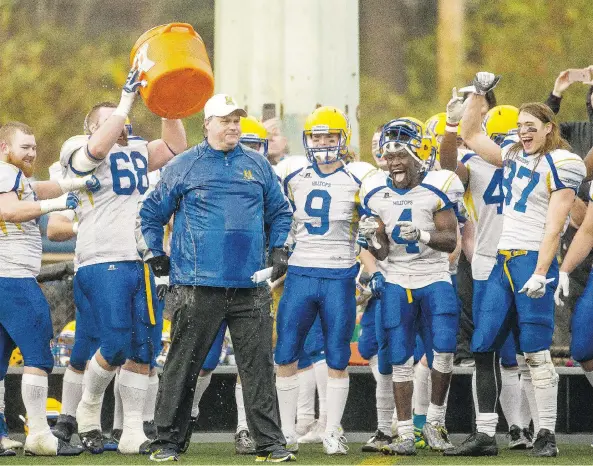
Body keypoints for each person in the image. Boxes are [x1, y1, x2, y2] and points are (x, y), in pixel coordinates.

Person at [137, 93, 294, 463]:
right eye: (225, 120)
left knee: (258, 368)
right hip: (196, 284)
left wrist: (280, 250)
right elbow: (150, 214)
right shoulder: (184, 165)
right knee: (182, 365)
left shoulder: (257, 164)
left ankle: (270, 444)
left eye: (237, 120)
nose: (233, 127)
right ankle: (166, 442)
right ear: (206, 124)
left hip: (251, 285)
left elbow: (281, 213)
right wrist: (156, 258)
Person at [445, 72, 586, 458]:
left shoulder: (561, 162)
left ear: (548, 129)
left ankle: (546, 433)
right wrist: (478, 92)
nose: (523, 133)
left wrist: (543, 272)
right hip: (501, 261)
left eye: (530, 127)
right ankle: (486, 434)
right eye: (520, 127)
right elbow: (472, 134)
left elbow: (555, 226)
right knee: (483, 345)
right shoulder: (511, 157)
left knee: (536, 352)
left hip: (530, 261)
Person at [59, 65, 187, 455]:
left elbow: (176, 148)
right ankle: (88, 410)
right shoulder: (75, 148)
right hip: (102, 258)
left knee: (144, 349)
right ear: (90, 127)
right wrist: (124, 101)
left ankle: (132, 429)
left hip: (142, 259)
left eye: (123, 121)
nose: (122, 126)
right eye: (110, 121)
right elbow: (96, 149)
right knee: (112, 343)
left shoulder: (136, 150)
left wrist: (168, 106)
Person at [273, 106, 376, 456]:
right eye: (317, 137)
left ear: (342, 139)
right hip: (300, 272)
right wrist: (281, 245)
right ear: (307, 139)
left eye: (329, 137)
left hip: (339, 273)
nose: (322, 143)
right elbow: (279, 214)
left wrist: (371, 233)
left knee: (336, 356)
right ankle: (287, 431)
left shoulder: (360, 175)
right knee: (286, 351)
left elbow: (376, 217)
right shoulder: (292, 172)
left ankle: (332, 430)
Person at [359, 118, 463, 456]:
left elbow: (450, 240)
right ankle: (404, 433)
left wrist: (422, 235)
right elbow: (383, 252)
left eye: (400, 155)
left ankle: (434, 422)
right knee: (399, 355)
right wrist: (373, 239)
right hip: (397, 278)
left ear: (417, 153)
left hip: (434, 275)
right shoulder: (376, 192)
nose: (393, 163)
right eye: (389, 157)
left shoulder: (439, 186)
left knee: (445, 348)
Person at [0, 121, 101, 456]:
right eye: (24, 147)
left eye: (33, 146)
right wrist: (59, 206)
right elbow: (9, 210)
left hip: (7, 277)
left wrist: (77, 182)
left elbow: (39, 188)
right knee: (39, 357)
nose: (32, 152)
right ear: (4, 148)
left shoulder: (16, 178)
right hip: (13, 279)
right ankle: (40, 435)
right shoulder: (6, 173)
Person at [439, 96, 534, 450]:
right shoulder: (474, 163)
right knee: (490, 349)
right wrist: (451, 128)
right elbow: (448, 167)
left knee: (529, 351)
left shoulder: (537, 165)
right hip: (486, 264)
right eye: (500, 138)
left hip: (525, 259)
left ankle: (536, 429)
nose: (506, 146)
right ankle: (503, 429)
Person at [357, 126, 396, 453]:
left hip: (412, 278)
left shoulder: (426, 180)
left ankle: (413, 422)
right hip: (378, 279)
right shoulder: (368, 183)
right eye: (377, 145)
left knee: (402, 353)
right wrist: (371, 272)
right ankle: (388, 423)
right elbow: (361, 237)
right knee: (370, 347)